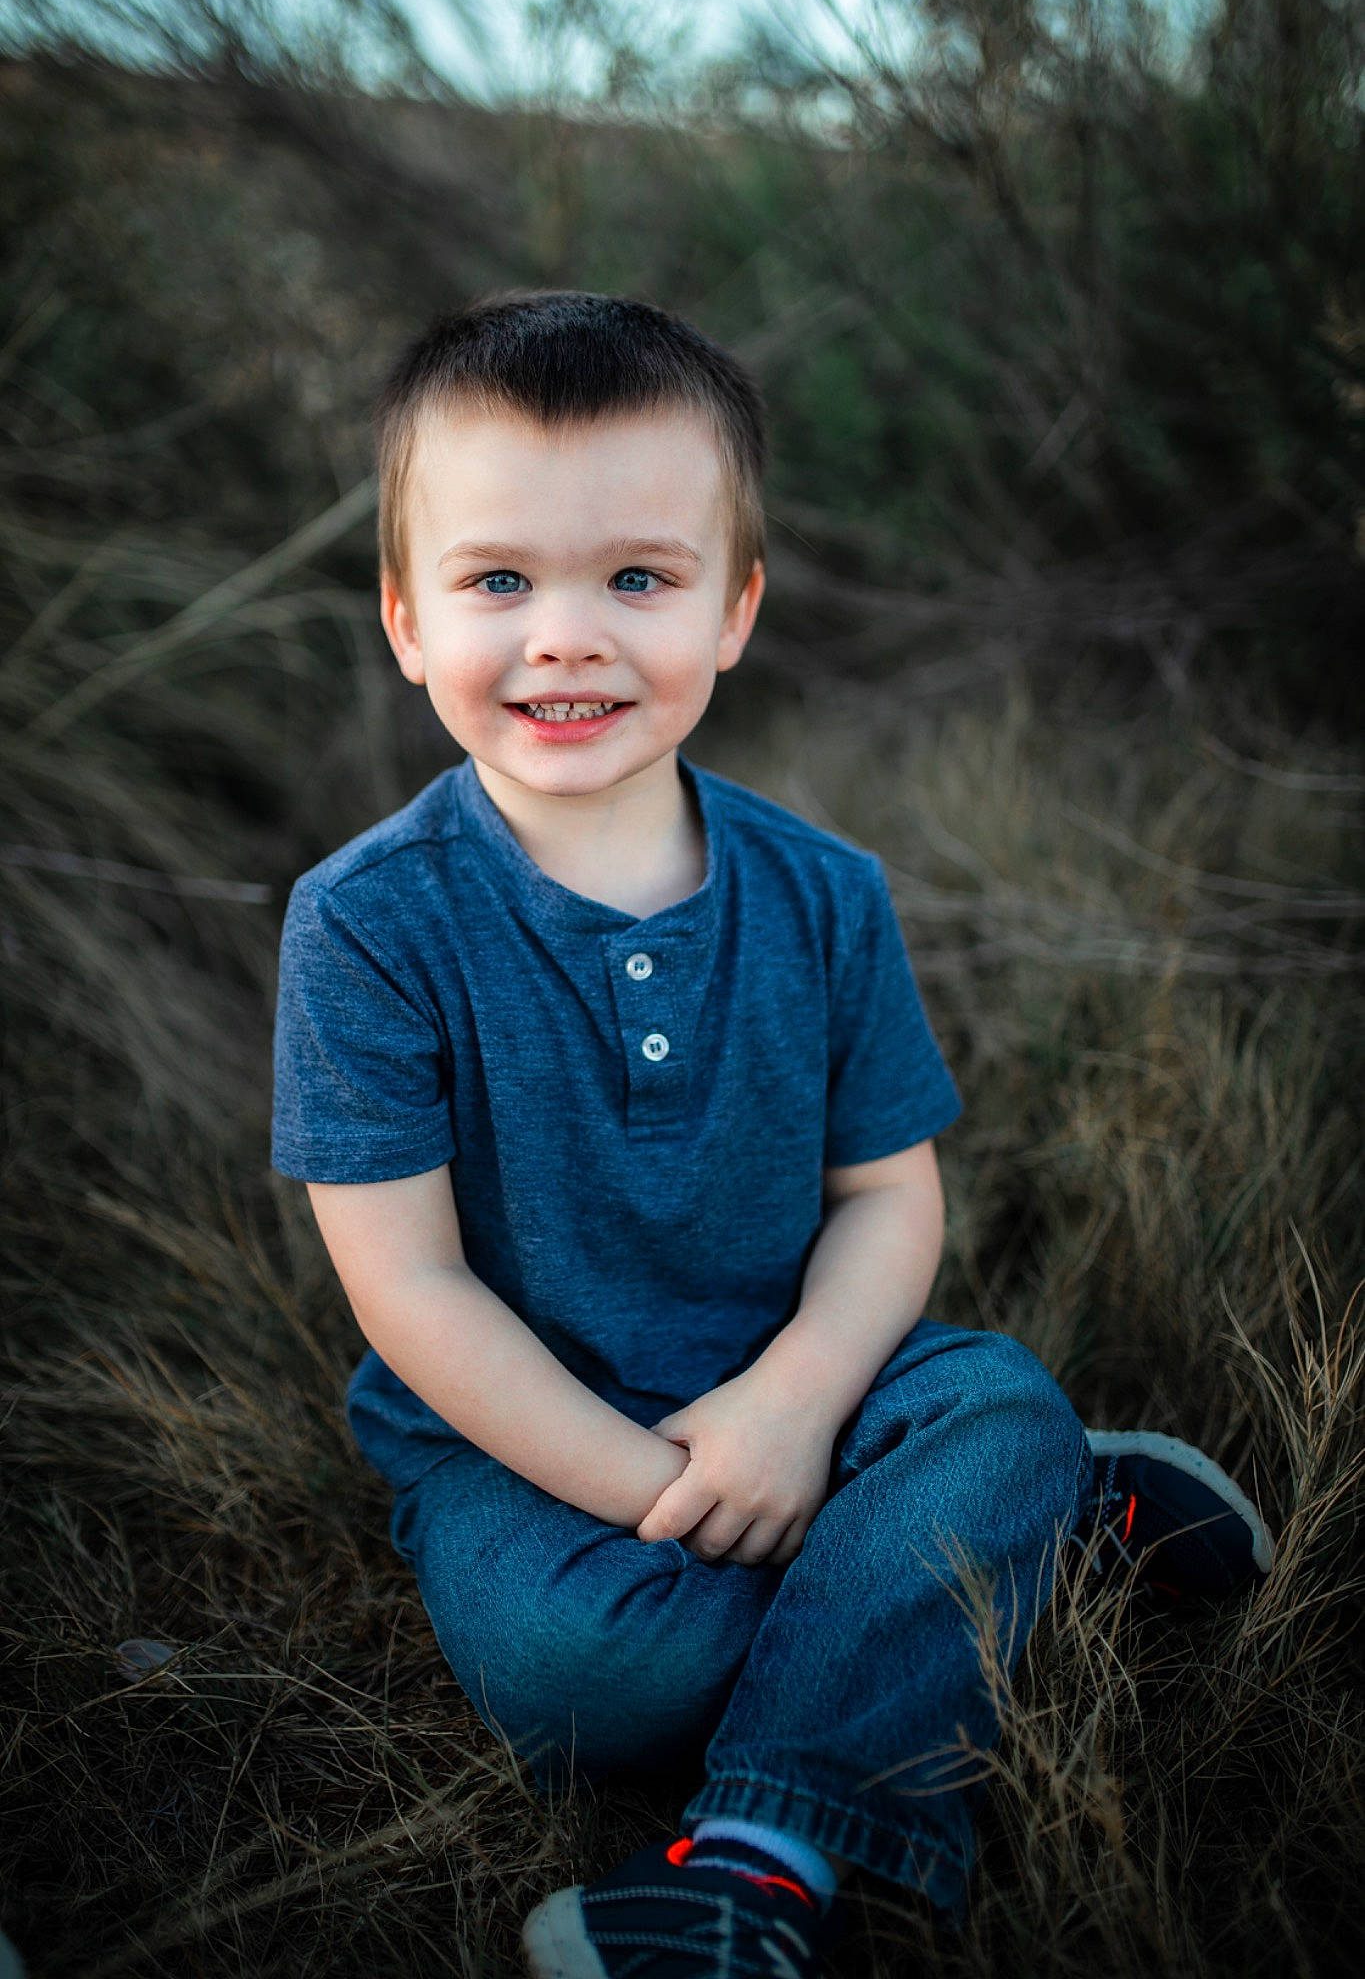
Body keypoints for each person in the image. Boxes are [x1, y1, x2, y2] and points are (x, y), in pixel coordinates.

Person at [271, 291, 1274, 1979]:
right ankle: (980, 1545)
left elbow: (887, 1195)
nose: (567, 637)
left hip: (795, 1360)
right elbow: (412, 1289)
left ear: (734, 610)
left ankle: (762, 1850)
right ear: (402, 616)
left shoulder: (819, 893)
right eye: (499, 581)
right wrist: (671, 1487)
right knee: (597, 1674)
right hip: (529, 1442)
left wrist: (800, 1405)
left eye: (638, 579)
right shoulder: (368, 923)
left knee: (991, 1394)